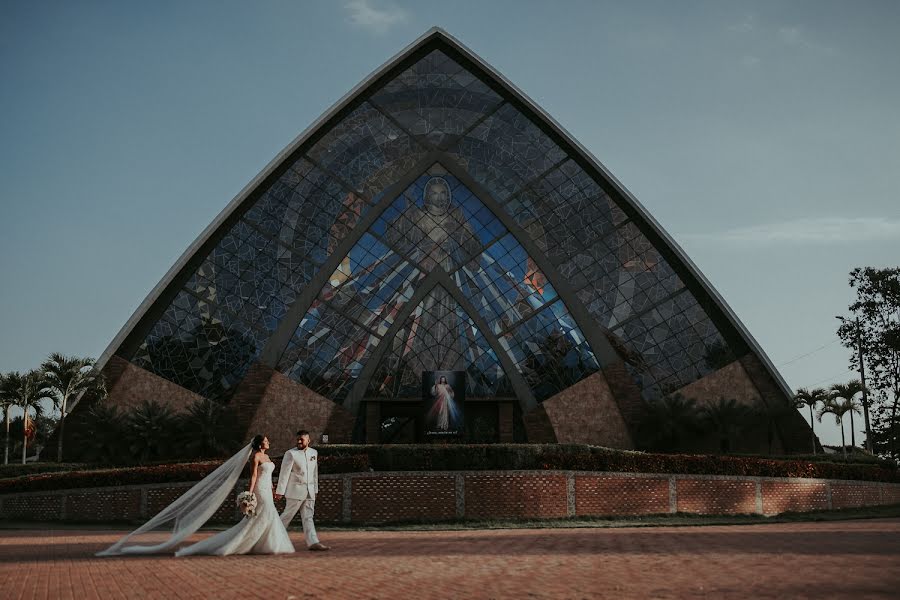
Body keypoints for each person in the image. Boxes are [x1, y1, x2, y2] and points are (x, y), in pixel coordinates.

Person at [96, 434, 294, 557]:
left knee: (266, 516)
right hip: (259, 488)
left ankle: (264, 544)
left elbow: (267, 474)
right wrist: (250, 495)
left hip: (267, 487)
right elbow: (252, 476)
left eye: (268, 440)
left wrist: (273, 487)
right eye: (266, 440)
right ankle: (245, 544)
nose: (268, 441)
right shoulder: (256, 457)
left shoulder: (267, 457)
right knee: (262, 515)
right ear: (260, 444)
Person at [276, 429, 330, 551]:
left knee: (308, 517)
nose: (299, 441)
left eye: (302, 439)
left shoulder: (314, 453)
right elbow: (284, 473)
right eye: (298, 439)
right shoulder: (290, 454)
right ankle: (272, 539)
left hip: (310, 491)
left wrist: (315, 489)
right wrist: (280, 491)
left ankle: (313, 543)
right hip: (295, 491)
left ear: (308, 440)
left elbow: (314, 473)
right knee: (286, 516)